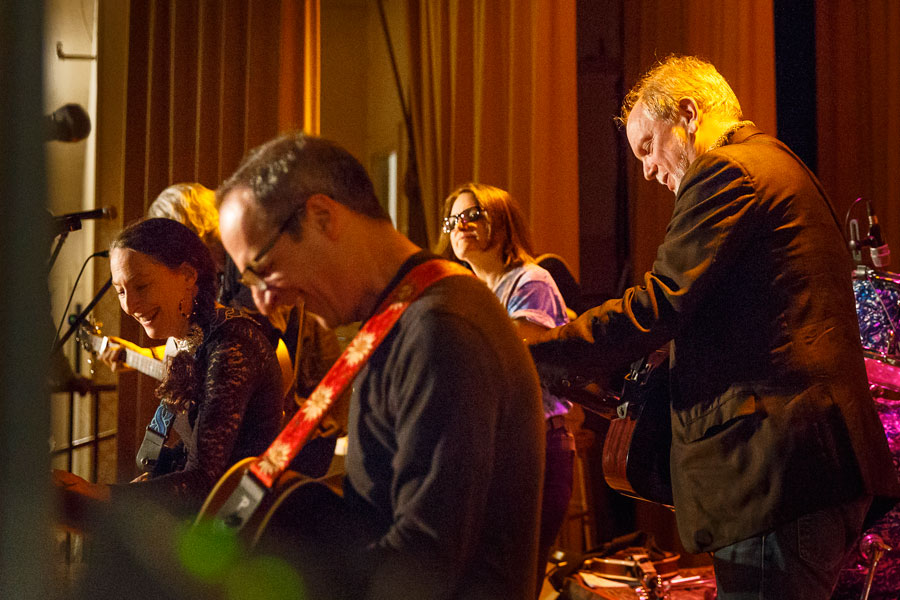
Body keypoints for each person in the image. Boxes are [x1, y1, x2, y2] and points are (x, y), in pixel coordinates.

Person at [528, 55, 900, 600]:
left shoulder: (726, 170)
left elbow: (659, 303)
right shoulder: (780, 163)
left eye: (649, 148)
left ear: (686, 113)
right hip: (820, 472)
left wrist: (538, 352)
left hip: (778, 476)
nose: (650, 171)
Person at [215, 132, 545, 599]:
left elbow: (424, 558)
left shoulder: (443, 327)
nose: (265, 302)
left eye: (263, 269)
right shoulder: (397, 320)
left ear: (323, 216)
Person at [55, 218, 283, 517]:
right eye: (120, 291)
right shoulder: (183, 340)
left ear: (188, 276)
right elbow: (194, 449)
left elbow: (205, 479)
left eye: (142, 285)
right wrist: (150, 481)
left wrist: (99, 493)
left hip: (243, 529)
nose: (131, 305)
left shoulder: (232, 344)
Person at [147, 182, 347, 474]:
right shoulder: (215, 273)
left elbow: (251, 339)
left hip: (304, 423)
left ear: (189, 231)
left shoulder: (249, 255)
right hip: (281, 424)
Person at [436, 182, 574, 596]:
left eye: (472, 215)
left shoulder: (530, 280)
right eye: (453, 220)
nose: (461, 225)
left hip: (535, 450)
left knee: (512, 583)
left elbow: (507, 360)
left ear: (501, 219)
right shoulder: (471, 291)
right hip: (491, 452)